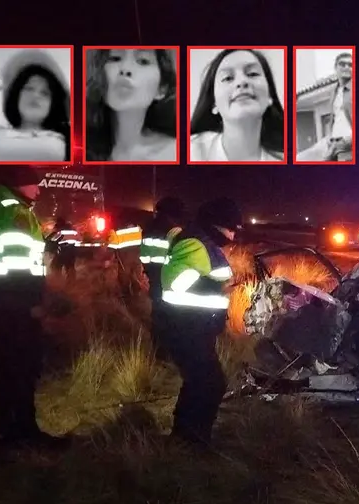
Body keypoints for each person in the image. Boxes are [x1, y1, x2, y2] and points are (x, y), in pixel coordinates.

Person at [0, 174, 70, 452]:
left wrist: (45, 246)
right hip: (14, 307)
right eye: (34, 183)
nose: (39, 189)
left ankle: (7, 433)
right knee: (21, 367)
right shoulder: (16, 212)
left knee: (1, 368)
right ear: (19, 184)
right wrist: (32, 305)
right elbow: (17, 267)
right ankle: (22, 434)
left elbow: (5, 255)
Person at [160, 197, 241, 447]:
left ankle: (183, 436)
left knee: (198, 381)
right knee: (212, 383)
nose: (234, 233)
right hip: (186, 328)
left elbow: (205, 278)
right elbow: (174, 285)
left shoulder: (203, 243)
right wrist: (215, 287)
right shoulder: (196, 244)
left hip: (194, 327)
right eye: (232, 227)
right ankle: (195, 440)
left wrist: (218, 287)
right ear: (217, 224)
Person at [189, 49, 286, 162]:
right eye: (228, 78)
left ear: (270, 95)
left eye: (252, 74)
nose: (242, 81)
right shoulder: (189, 152)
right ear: (214, 103)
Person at [84, 48, 178, 162]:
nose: (125, 69)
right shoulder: (75, 146)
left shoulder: (176, 153)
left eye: (143, 61)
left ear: (162, 88)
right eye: (115, 58)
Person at [0, 48, 71, 162]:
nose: (36, 95)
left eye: (45, 93)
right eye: (29, 88)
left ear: (52, 105)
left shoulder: (68, 140)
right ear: (17, 96)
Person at [141, 197, 185, 358]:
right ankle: (169, 354)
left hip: (153, 277)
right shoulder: (173, 230)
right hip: (169, 281)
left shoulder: (148, 228)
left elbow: (146, 256)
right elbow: (179, 258)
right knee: (173, 318)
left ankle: (158, 354)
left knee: (158, 315)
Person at [296, 52, 353, 162]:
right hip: (333, 145)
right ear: (335, 67)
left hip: (348, 147)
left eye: (350, 65)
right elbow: (334, 119)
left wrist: (347, 141)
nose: (347, 67)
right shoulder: (334, 92)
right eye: (342, 64)